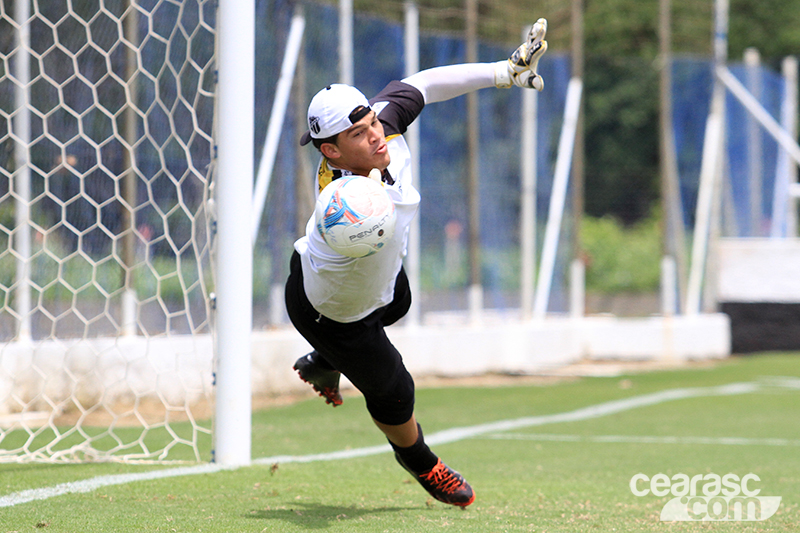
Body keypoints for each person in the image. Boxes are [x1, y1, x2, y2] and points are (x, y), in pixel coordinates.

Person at [285, 19, 548, 507]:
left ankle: (325, 363)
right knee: (395, 388)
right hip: (332, 312)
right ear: (331, 151)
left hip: (377, 287)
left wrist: (503, 71)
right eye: (360, 135)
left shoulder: (377, 127)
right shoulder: (341, 199)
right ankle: (423, 463)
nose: (377, 137)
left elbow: (422, 84)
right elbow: (353, 215)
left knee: (400, 298)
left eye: (373, 125)